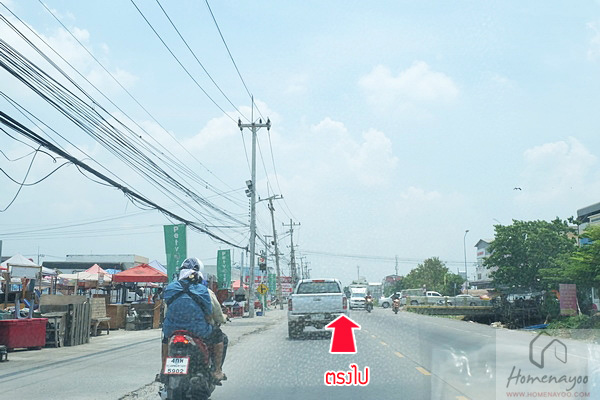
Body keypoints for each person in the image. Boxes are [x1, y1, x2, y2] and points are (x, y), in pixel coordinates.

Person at [161, 257, 227, 382]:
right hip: (198, 331)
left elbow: (166, 313)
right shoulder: (206, 291)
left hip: (173, 331)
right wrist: (223, 318)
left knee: (165, 338)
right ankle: (217, 371)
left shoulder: (171, 288)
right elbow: (213, 315)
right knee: (219, 336)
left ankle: (163, 370)